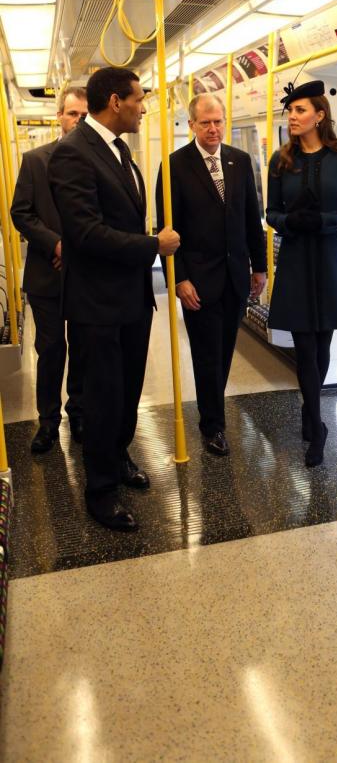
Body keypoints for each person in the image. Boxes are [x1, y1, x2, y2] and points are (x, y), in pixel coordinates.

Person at [48, 67, 180, 532]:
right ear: (114, 101)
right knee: (102, 398)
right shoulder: (72, 154)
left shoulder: (120, 150)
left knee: (126, 392)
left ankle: (119, 456)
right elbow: (84, 233)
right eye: (138, 99)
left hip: (130, 298)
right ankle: (100, 491)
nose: (144, 107)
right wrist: (152, 246)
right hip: (97, 305)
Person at [155, 93, 266, 457]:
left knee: (224, 352)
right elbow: (168, 229)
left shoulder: (238, 160)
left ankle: (212, 411)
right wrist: (179, 279)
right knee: (206, 355)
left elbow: (252, 218)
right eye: (206, 123)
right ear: (191, 125)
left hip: (235, 276)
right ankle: (213, 426)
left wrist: (260, 267)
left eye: (218, 121)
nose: (214, 129)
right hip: (197, 282)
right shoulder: (174, 166)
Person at [266, 80, 337, 467]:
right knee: (304, 347)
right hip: (295, 258)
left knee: (321, 345)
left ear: (320, 115)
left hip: (329, 257)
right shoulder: (281, 160)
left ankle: (311, 415)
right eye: (290, 111)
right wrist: (291, 222)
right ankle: (316, 425)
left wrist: (324, 221)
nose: (292, 117)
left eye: (300, 110)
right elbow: (271, 213)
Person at [11, 86, 87, 454]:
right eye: (72, 113)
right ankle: (47, 422)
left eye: (85, 114)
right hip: (46, 276)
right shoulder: (35, 160)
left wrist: (73, 251)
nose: (78, 120)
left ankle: (79, 412)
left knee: (85, 349)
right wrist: (56, 244)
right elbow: (20, 213)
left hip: (86, 276)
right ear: (59, 116)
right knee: (52, 348)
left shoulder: (97, 162)